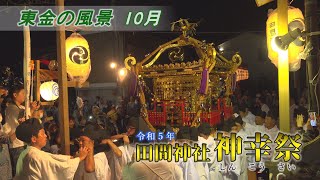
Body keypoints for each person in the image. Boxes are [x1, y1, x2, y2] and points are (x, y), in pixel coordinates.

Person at [15, 118, 89, 180]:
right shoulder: (34, 155)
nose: (46, 136)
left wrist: (72, 158)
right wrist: (79, 158)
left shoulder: (32, 152)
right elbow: (58, 167)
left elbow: (53, 157)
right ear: (34, 139)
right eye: (42, 133)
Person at [3, 85, 39, 176]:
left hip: (24, 143)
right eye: (23, 93)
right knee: (20, 171)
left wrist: (33, 110)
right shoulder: (11, 108)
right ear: (15, 95)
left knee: (26, 170)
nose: (25, 95)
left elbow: (33, 122)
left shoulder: (23, 108)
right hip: (16, 144)